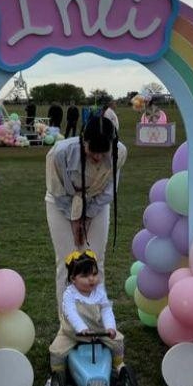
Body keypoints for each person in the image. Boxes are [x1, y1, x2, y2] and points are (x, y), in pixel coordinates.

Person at [45, 113, 126, 311]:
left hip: (97, 203)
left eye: (103, 152)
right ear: (83, 141)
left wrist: (88, 215)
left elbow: (109, 190)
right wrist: (75, 220)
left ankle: (96, 319)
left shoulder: (119, 152)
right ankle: (68, 323)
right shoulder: (59, 153)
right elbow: (58, 190)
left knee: (95, 260)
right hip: (61, 202)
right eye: (93, 151)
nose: (98, 157)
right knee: (68, 261)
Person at [48, 249, 126, 375]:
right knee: (56, 351)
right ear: (73, 279)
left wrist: (110, 327)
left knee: (118, 341)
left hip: (98, 330)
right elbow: (71, 313)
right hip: (73, 332)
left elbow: (106, 310)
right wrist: (81, 328)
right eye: (85, 276)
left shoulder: (99, 292)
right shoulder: (70, 294)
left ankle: (118, 366)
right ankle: (56, 376)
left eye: (94, 274)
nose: (91, 279)